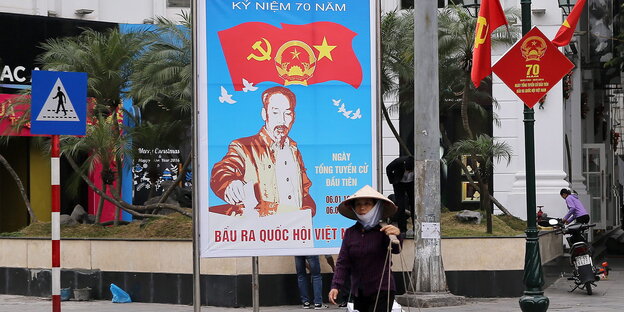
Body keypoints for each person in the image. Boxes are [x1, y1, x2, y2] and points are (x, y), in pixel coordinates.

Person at [210, 86, 316, 217]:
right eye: (275, 113)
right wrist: (230, 184)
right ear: (264, 114)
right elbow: (222, 171)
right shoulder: (244, 147)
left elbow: (304, 190)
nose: (282, 120)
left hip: (293, 231)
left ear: (293, 116)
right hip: (262, 230)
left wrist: (306, 211)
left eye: (287, 113)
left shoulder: (293, 150)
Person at [328, 185, 401, 312]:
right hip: (360, 291)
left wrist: (397, 235)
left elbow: (396, 249)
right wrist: (336, 286)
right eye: (358, 204)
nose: (362, 207)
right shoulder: (350, 233)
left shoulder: (384, 230)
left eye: (367, 204)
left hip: (382, 289)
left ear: (376, 206)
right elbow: (343, 262)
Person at [386, 156, 414, 234]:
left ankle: (416, 227)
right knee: (400, 206)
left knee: (414, 205)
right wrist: (392, 180)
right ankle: (402, 229)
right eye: (408, 170)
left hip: (411, 184)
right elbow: (388, 168)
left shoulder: (418, 163)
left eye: (411, 171)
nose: (409, 172)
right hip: (399, 184)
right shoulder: (398, 162)